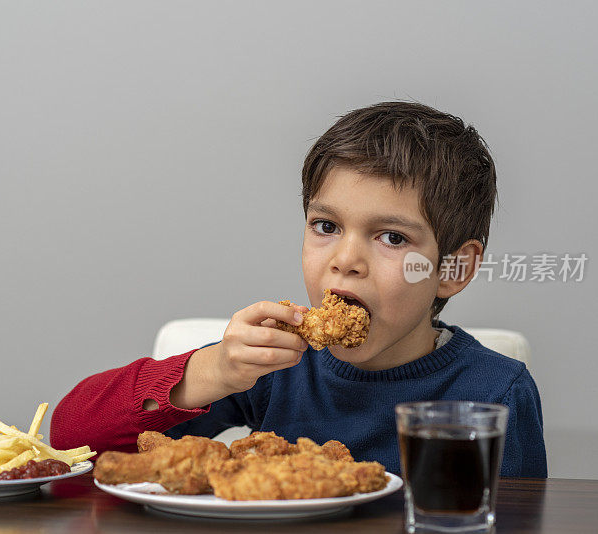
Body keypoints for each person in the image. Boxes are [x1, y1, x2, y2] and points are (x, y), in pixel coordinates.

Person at [50, 101, 547, 478]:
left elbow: (517, 515)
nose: (345, 260)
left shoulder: (495, 393)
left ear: (453, 268)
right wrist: (215, 369)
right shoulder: (275, 368)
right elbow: (71, 437)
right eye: (326, 226)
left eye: (391, 237)